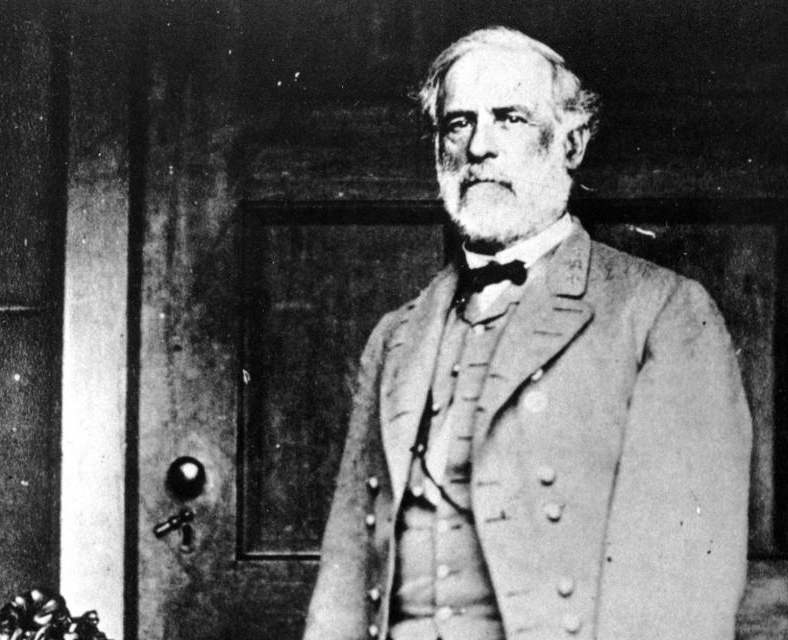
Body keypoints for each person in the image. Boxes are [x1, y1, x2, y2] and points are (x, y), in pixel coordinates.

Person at [302, 26, 752, 640]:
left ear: (571, 143)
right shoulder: (395, 337)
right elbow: (344, 580)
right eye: (458, 124)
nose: (479, 146)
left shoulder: (661, 314)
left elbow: (676, 594)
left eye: (509, 118)